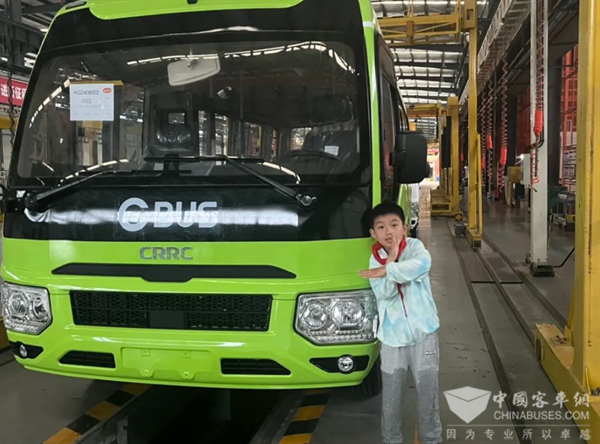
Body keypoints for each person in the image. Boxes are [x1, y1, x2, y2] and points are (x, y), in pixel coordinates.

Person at [358, 201, 442, 444]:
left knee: (428, 393)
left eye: (394, 225)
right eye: (381, 227)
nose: (389, 232)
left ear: (404, 228)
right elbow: (386, 294)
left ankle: (431, 439)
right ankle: (391, 439)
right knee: (392, 397)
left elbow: (422, 265)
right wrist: (391, 260)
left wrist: (388, 271)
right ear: (373, 233)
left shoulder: (415, 248)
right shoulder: (375, 260)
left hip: (424, 334)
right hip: (392, 340)